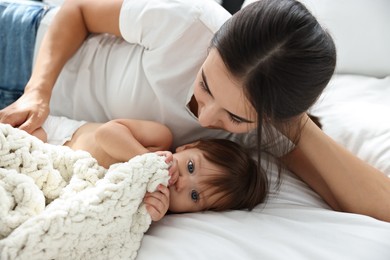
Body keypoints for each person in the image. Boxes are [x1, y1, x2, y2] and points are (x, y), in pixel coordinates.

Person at [0, 0, 389, 222]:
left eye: (235, 119)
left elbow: (382, 206)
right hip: (25, 48)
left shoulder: (274, 124)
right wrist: (37, 92)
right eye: (205, 84)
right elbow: (79, 10)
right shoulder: (187, 22)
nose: (204, 120)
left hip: (44, 136)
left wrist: (297, 124)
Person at [29, 115, 261, 221]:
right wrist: (145, 158)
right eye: (190, 166)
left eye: (194, 195)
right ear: (188, 147)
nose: (181, 181)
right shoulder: (160, 139)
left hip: (54, 180)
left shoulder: (155, 204)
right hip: (57, 138)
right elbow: (105, 133)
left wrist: (146, 215)